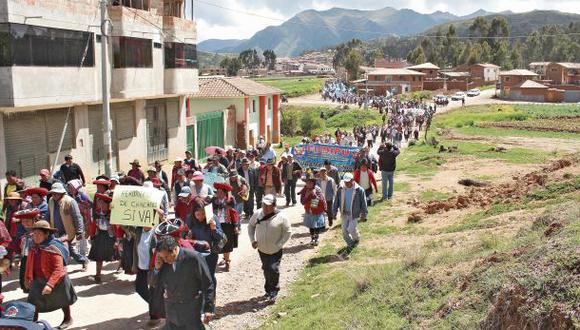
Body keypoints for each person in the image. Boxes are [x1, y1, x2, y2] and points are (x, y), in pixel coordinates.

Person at [151, 235, 215, 329]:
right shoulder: (162, 262)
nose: (164, 260)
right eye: (162, 257)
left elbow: (208, 283)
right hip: (171, 310)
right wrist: (156, 269)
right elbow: (153, 284)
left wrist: (208, 308)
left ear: (174, 250)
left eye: (166, 257)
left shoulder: (193, 258)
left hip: (191, 310)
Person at [25, 220, 77, 329]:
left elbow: (59, 269)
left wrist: (50, 284)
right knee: (33, 302)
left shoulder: (53, 248)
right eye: (34, 233)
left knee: (63, 300)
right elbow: (29, 262)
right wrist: (28, 277)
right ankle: (33, 323)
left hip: (56, 279)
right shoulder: (33, 246)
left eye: (39, 234)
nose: (36, 236)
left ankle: (68, 318)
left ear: (46, 234)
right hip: (38, 279)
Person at [248, 195, 291, 302]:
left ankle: (274, 291)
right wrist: (252, 240)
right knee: (266, 269)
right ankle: (268, 290)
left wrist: (280, 244)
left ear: (274, 206)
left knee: (273, 269)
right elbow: (250, 226)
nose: (266, 208)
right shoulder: (257, 214)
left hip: (275, 250)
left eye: (268, 206)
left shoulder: (281, 217)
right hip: (262, 249)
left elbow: (288, 231)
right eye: (264, 205)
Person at [47, 183, 88, 271]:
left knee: (72, 251)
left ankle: (84, 260)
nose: (54, 195)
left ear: (61, 193)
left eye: (56, 193)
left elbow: (77, 217)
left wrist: (79, 231)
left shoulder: (70, 201)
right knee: (57, 250)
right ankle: (59, 268)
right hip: (55, 231)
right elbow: (48, 214)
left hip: (68, 230)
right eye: (53, 193)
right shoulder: (51, 201)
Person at [333, 173, 368, 254]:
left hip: (354, 214)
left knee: (351, 229)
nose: (347, 183)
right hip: (344, 213)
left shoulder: (359, 190)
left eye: (348, 182)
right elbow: (336, 202)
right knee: (344, 231)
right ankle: (351, 244)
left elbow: (363, 203)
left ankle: (357, 238)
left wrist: (364, 214)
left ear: (353, 180)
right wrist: (334, 212)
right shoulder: (341, 189)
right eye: (345, 182)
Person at [88, 193, 118, 284]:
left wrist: (117, 240)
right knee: (98, 256)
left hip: (110, 237)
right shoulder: (97, 213)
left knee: (115, 254)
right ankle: (98, 275)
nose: (101, 205)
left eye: (103, 204)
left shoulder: (113, 214)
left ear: (108, 204)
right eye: (100, 203)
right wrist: (92, 235)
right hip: (100, 236)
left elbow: (116, 227)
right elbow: (94, 225)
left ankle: (120, 267)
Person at [212, 183, 239, 272]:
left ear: (224, 193)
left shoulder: (230, 200)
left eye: (220, 192)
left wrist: (236, 226)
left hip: (228, 225)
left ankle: (227, 261)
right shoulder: (214, 201)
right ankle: (222, 258)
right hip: (217, 225)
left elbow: (234, 213)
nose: (218, 194)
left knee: (227, 243)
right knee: (218, 242)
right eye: (217, 192)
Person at [12, 209, 38, 292]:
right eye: (23, 221)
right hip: (25, 260)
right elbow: (17, 248)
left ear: (34, 220)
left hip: (36, 260)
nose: (25, 223)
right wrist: (16, 260)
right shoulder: (22, 233)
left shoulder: (39, 232)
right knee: (25, 279)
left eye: (28, 221)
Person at [300, 173, 326, 246]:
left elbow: (321, 200)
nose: (309, 184)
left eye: (311, 182)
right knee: (311, 225)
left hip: (317, 210)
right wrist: (307, 196)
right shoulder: (304, 190)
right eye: (307, 182)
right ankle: (312, 238)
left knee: (316, 225)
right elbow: (302, 202)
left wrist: (314, 195)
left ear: (314, 183)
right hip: (309, 210)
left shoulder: (317, 189)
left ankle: (316, 238)